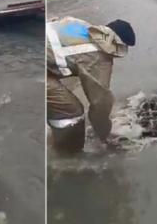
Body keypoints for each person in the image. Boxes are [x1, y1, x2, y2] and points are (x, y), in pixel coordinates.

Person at [47, 16, 136, 153]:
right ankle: (66, 157)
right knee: (71, 111)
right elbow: (100, 103)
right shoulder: (97, 58)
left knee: (60, 103)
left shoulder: (80, 23)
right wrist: (104, 135)